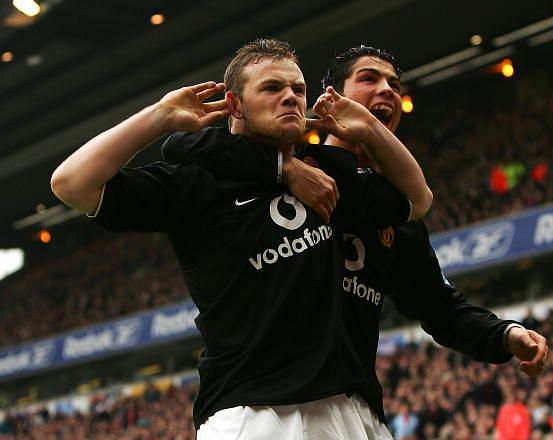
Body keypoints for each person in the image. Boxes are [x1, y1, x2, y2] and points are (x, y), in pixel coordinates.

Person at [50, 38, 433, 440]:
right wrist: (160, 116)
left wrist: (370, 129)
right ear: (234, 105)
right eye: (271, 88)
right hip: (250, 412)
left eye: (298, 90)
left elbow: (418, 199)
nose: (290, 98)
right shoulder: (197, 185)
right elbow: (70, 183)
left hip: (342, 410)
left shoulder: (327, 175)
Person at [164, 45, 549, 439]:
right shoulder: (292, 162)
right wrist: (283, 167)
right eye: (369, 79)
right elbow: (183, 146)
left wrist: (504, 334)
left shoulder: (395, 212)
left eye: (394, 85)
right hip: (263, 406)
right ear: (330, 99)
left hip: (354, 410)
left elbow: (439, 307)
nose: (387, 91)